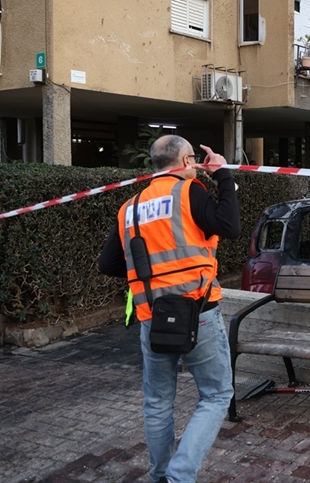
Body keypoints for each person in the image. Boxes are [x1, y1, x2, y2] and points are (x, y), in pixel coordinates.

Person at [98, 136, 240, 483]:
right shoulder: (188, 192)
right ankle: (179, 476)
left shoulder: (129, 207)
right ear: (188, 161)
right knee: (217, 394)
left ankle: (160, 474)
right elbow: (230, 226)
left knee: (158, 402)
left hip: (152, 317)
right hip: (198, 312)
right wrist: (222, 175)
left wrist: (151, 274)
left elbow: (109, 263)